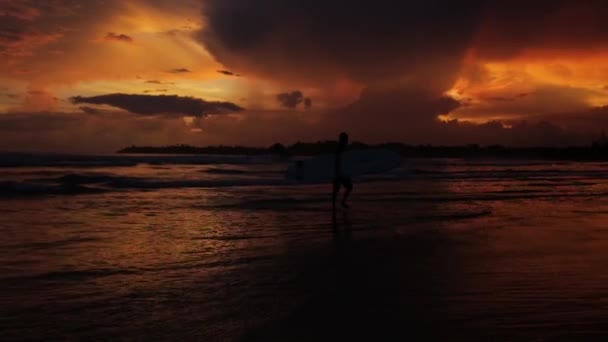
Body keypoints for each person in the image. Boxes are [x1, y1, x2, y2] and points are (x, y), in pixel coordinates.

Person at [333, 132, 353, 212]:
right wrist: (338, 172)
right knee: (336, 190)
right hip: (338, 172)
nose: (347, 141)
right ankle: (334, 207)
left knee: (349, 187)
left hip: (341, 172)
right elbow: (337, 161)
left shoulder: (343, 148)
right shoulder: (339, 148)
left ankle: (342, 202)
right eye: (346, 139)